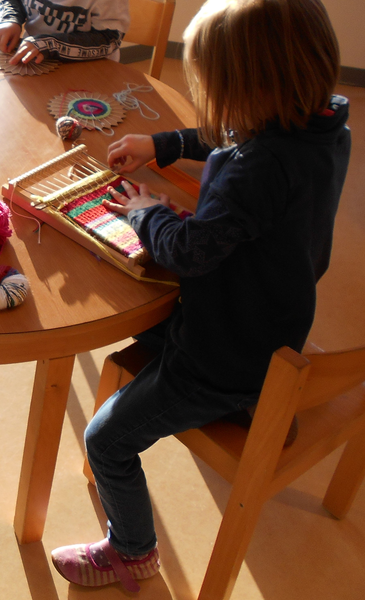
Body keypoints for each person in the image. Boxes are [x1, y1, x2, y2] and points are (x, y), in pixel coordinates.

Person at [50, 0, 350, 590]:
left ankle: (132, 551)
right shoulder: (322, 127)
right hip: (276, 317)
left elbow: (188, 252)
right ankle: (251, 399)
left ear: (246, 88)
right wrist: (164, 144)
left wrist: (144, 214)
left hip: (222, 354)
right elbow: (234, 140)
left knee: (105, 440)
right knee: (133, 320)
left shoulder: (253, 168)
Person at [0, 0, 129, 65]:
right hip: (35, 63)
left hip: (89, 70)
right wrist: (9, 19)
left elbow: (109, 40)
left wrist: (49, 44)